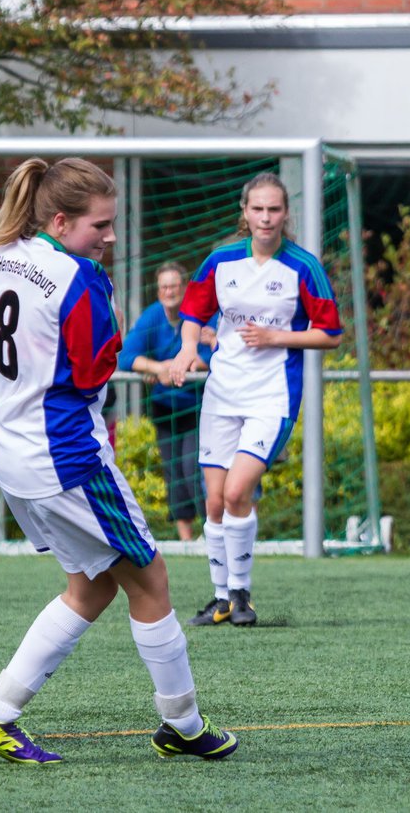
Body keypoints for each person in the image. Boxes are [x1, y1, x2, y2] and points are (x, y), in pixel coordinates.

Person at [0, 157, 237, 764]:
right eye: (99, 225)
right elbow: (95, 369)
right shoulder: (80, 279)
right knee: (152, 581)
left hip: (13, 451)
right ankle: (181, 724)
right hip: (67, 456)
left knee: (94, 586)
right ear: (59, 219)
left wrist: (20, 353)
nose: (108, 237)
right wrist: (110, 329)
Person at [169, 172, 343, 627]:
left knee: (237, 491)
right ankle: (221, 599)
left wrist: (277, 336)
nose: (266, 218)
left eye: (275, 210)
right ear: (244, 213)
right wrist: (189, 349)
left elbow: (331, 334)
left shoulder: (304, 267)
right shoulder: (221, 261)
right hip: (221, 393)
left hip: (272, 395)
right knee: (213, 501)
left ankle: (243, 593)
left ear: (286, 215)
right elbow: (193, 313)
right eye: (258, 209)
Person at [118, 262, 216, 542]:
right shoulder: (152, 317)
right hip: (164, 409)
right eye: (164, 287)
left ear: (184, 288)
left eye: (174, 286)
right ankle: (186, 540)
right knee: (173, 472)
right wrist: (157, 368)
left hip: (198, 407)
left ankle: (212, 533)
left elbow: (215, 355)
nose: (169, 292)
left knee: (194, 468)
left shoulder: (202, 317)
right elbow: (127, 357)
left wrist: (193, 364)